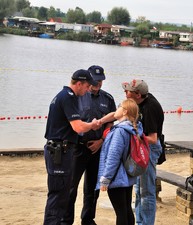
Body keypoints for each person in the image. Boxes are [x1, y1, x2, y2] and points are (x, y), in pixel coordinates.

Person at [43, 69, 99, 225]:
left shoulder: (64, 96)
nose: (88, 90)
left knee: (61, 195)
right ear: (79, 83)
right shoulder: (68, 97)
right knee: (58, 196)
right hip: (59, 151)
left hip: (61, 150)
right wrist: (92, 125)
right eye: (87, 86)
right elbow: (78, 127)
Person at [61, 66, 116, 225]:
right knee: (71, 187)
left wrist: (101, 141)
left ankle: (87, 219)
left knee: (92, 188)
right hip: (77, 147)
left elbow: (110, 125)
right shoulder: (76, 96)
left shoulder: (108, 99)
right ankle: (66, 220)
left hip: (97, 149)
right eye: (95, 80)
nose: (98, 83)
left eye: (101, 80)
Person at [122, 79, 164, 225]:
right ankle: (140, 222)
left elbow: (153, 138)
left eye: (128, 92)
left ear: (138, 94)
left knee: (147, 192)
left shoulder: (150, 108)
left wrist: (133, 135)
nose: (126, 94)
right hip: (142, 147)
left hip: (149, 148)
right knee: (139, 191)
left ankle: (146, 223)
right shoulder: (141, 101)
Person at [96, 98, 143, 225]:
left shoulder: (120, 131)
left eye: (118, 107)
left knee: (121, 212)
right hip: (128, 175)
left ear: (124, 111)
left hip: (117, 177)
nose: (116, 109)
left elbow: (113, 158)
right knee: (127, 210)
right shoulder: (134, 128)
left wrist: (106, 179)